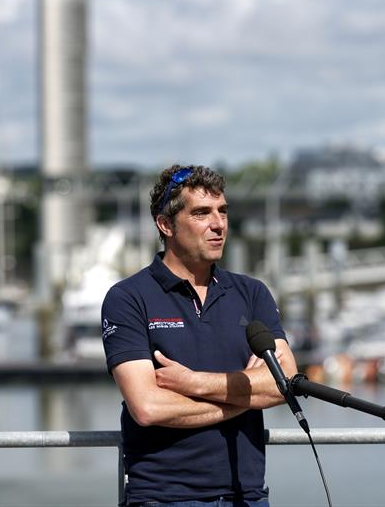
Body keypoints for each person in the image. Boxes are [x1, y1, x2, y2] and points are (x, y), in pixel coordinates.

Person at [101, 165, 298, 507]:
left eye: (222, 212)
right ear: (166, 224)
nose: (218, 224)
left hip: (247, 496)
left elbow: (287, 381)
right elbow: (147, 407)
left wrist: (194, 383)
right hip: (163, 498)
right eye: (202, 213)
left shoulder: (252, 293)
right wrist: (244, 393)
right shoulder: (128, 298)